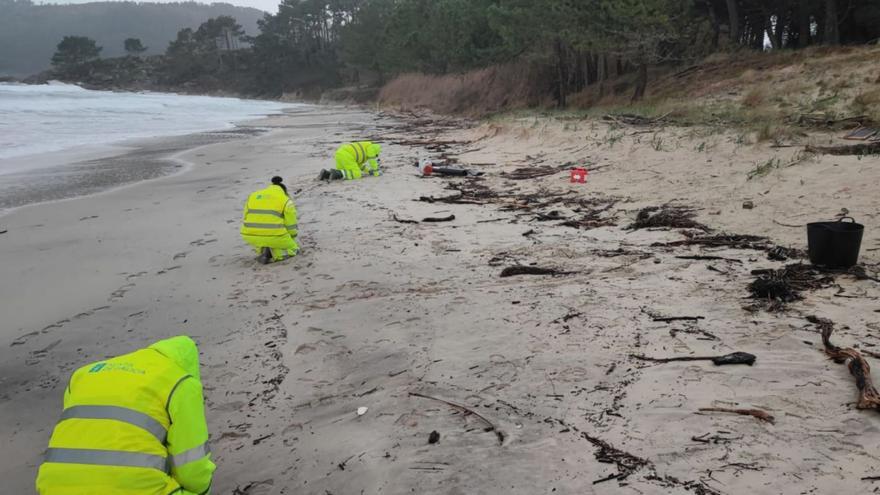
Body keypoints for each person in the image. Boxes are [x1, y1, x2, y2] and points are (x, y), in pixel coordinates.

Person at [35, 336, 215, 495]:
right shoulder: (182, 383)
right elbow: (192, 468)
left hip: (52, 485)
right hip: (133, 486)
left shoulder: (83, 374)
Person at [241, 176, 298, 264]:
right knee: (292, 248)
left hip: (249, 235)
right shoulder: (285, 200)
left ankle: (263, 249)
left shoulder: (253, 195)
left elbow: (245, 216)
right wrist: (292, 237)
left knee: (266, 240)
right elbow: (291, 225)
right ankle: (276, 255)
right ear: (284, 191)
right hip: (275, 235)